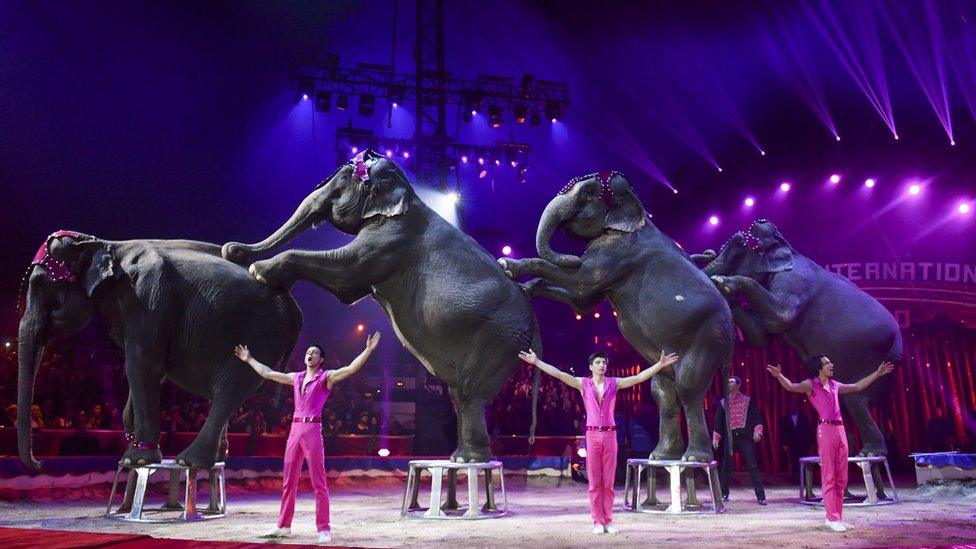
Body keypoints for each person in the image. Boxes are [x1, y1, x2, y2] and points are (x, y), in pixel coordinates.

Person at [235, 333, 381, 544]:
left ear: (321, 359)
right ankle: (283, 525)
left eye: (314, 353)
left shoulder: (326, 377)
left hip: (312, 429)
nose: (310, 354)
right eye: (308, 352)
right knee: (288, 481)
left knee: (318, 482)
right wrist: (249, 359)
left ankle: (324, 528)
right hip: (295, 429)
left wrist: (367, 350)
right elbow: (268, 373)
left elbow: (350, 369)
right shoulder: (297, 377)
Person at [519, 348, 678, 535]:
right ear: (591, 367)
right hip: (592, 435)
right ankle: (597, 521)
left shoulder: (614, 383)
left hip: (610, 436)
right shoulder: (583, 383)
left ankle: (608, 520)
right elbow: (559, 374)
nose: (602, 365)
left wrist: (659, 365)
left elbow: (638, 377)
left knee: (608, 482)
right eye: (598, 363)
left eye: (604, 362)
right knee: (594, 482)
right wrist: (537, 362)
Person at [766, 356, 893, 533]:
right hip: (825, 430)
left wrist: (878, 373)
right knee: (830, 475)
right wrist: (780, 376)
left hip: (840, 429)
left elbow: (857, 386)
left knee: (842, 477)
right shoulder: (811, 384)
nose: (831, 365)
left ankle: (838, 516)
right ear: (819, 367)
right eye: (827, 363)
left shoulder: (835, 385)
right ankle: (831, 517)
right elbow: (791, 387)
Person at [712, 376, 767, 504]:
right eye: (728, 382)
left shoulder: (747, 400)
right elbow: (718, 421)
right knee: (726, 467)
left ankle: (761, 497)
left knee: (752, 466)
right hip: (730, 438)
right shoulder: (723, 402)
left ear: (738, 384)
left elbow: (757, 416)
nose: (729, 385)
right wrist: (716, 437)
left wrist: (758, 430)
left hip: (744, 437)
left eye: (731, 382)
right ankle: (724, 494)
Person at [778, 400, 813, 484]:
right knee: (794, 462)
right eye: (790, 406)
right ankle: (795, 479)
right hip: (791, 445)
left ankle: (805, 480)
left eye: (794, 406)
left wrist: (810, 443)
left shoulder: (803, 418)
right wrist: (783, 444)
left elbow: (808, 431)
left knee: (804, 462)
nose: (792, 408)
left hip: (802, 444)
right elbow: (782, 433)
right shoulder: (784, 419)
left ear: (797, 407)